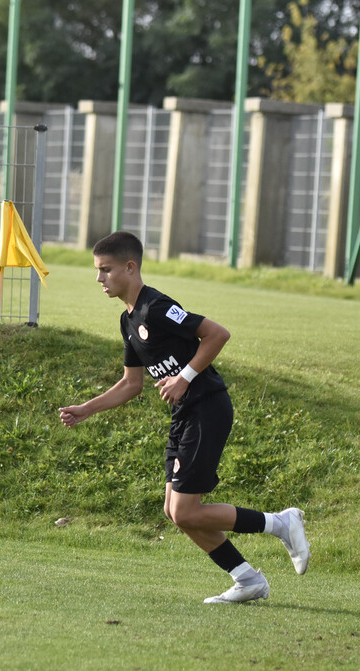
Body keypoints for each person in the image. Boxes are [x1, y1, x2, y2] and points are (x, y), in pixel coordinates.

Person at [58, 231, 310, 604]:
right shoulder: (129, 322)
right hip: (184, 415)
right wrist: (87, 409)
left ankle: (280, 523)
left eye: (105, 270)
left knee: (185, 509)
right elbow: (131, 384)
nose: (99, 279)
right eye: (97, 271)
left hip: (207, 406)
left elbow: (217, 334)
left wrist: (184, 377)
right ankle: (247, 579)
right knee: (176, 513)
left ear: (130, 267)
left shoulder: (156, 307)